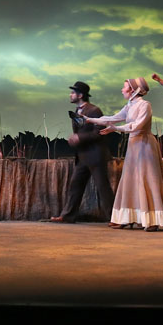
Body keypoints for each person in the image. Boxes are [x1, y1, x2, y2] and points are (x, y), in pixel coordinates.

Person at [86, 78, 163, 232]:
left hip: (145, 145)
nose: (122, 90)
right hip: (134, 145)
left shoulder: (145, 105)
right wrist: (89, 120)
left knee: (147, 179)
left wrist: (116, 129)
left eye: (125, 88)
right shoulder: (129, 106)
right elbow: (112, 118)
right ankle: (127, 218)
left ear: (134, 91)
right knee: (130, 180)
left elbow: (137, 125)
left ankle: (152, 219)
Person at [46, 81, 113, 223]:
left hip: (95, 156)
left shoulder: (94, 110)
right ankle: (67, 216)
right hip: (83, 156)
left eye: (73, 93)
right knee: (75, 186)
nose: (70, 95)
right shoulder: (77, 111)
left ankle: (114, 217)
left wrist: (79, 137)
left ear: (80, 95)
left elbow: (99, 132)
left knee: (103, 188)